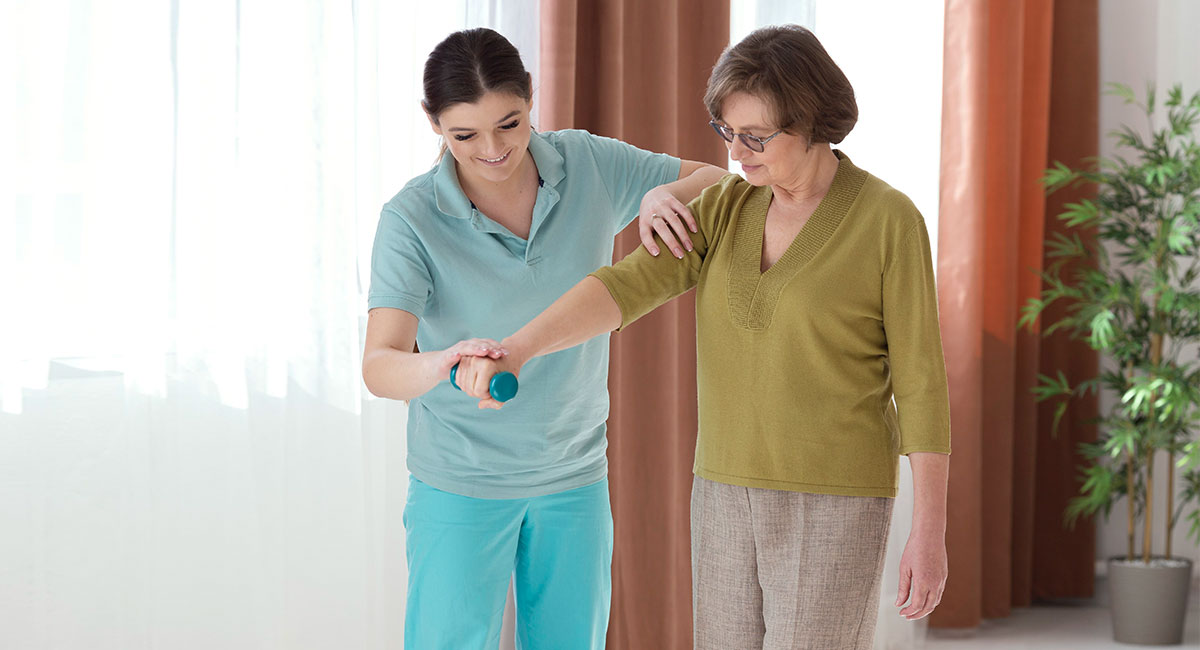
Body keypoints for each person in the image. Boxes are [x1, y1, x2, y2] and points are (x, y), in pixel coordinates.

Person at [455, 24, 951, 649]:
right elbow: (622, 288)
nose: (737, 154)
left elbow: (922, 384)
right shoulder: (726, 205)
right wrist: (520, 347)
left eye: (756, 137)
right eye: (727, 133)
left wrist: (929, 530)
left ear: (812, 120)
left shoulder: (888, 220)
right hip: (721, 489)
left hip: (835, 498)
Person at [361, 27, 726, 650]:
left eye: (510, 123)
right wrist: (443, 361)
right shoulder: (412, 218)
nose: (493, 150)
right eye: (464, 135)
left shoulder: (586, 162)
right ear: (434, 125)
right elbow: (380, 364)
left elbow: (719, 181)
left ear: (531, 97)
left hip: (573, 475)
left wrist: (659, 193)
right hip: (460, 481)